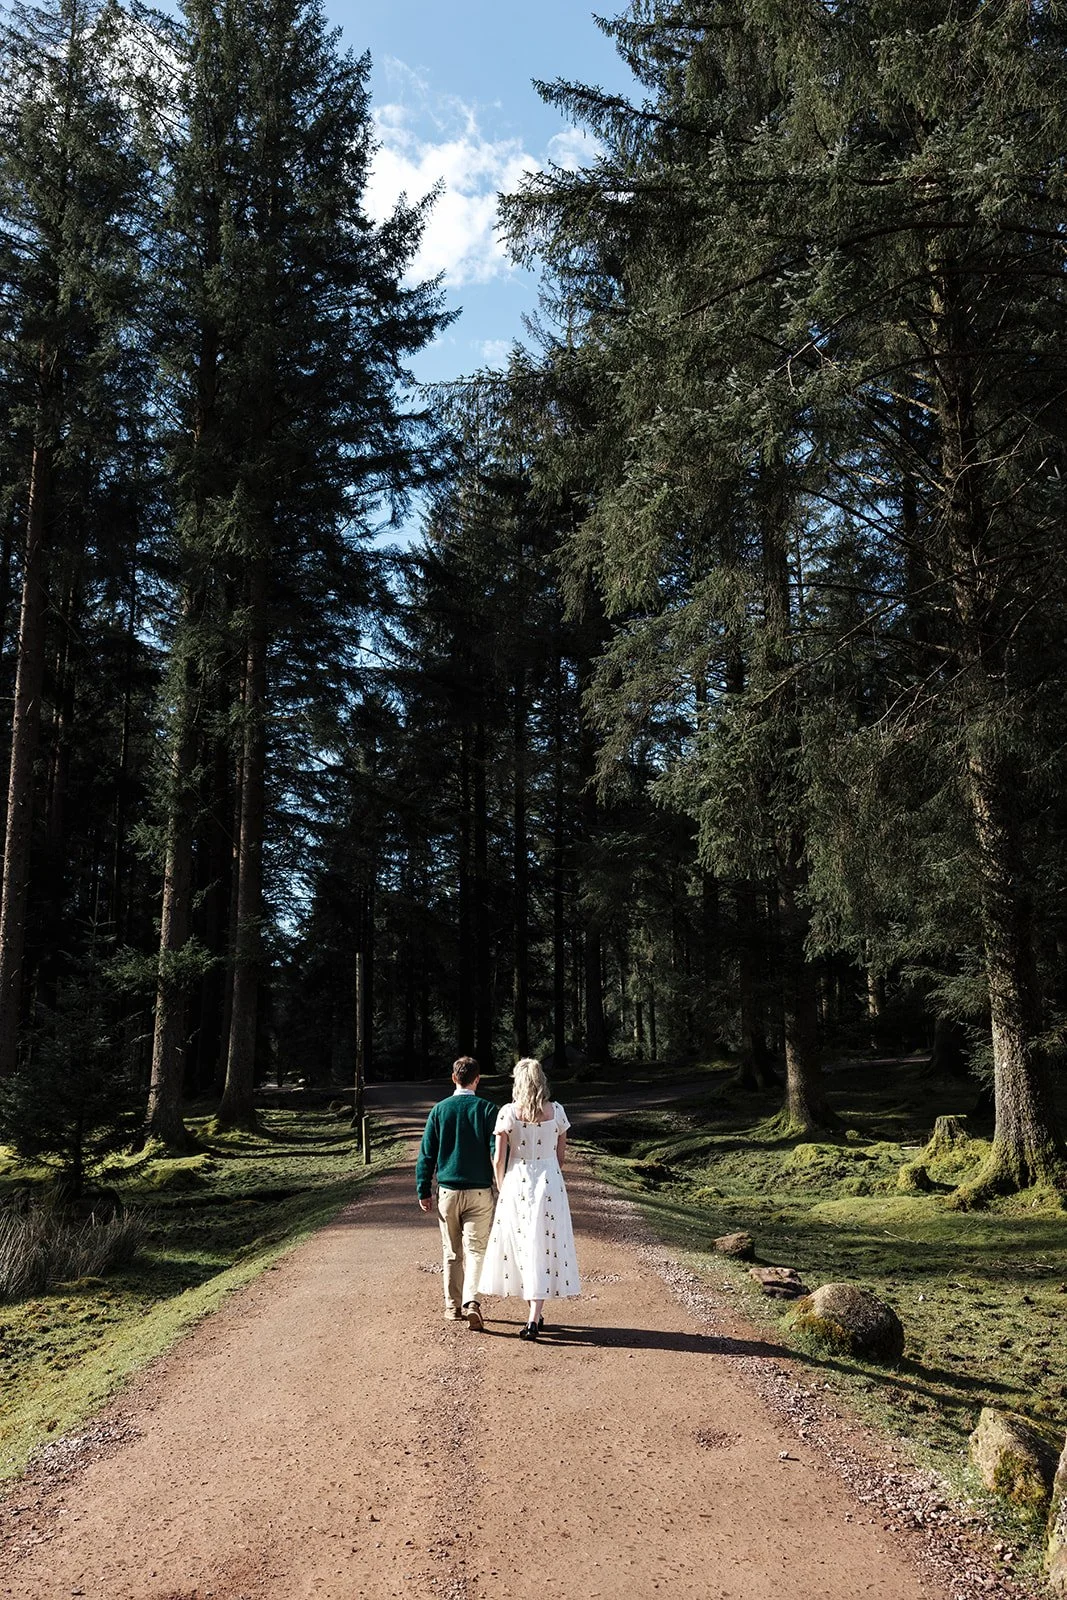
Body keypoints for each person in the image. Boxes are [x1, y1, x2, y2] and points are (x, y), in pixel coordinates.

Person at [478, 1056, 580, 1340]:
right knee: (543, 1245)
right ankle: (535, 1315)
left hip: (517, 1181)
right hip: (549, 1182)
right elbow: (560, 1158)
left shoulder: (509, 1113)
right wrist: (548, 1173)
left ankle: (533, 1316)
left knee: (523, 1245)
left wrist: (501, 1185)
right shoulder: (556, 1111)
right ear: (541, 1081)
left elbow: (499, 1157)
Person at [416, 1055, 496, 1330]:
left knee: (451, 1252)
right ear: (477, 1080)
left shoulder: (439, 1111)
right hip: (479, 1192)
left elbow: (426, 1154)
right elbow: (497, 1151)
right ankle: (472, 1302)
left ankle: (452, 1307)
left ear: (453, 1078)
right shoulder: (487, 1110)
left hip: (448, 1191)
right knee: (476, 1250)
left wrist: (423, 1188)